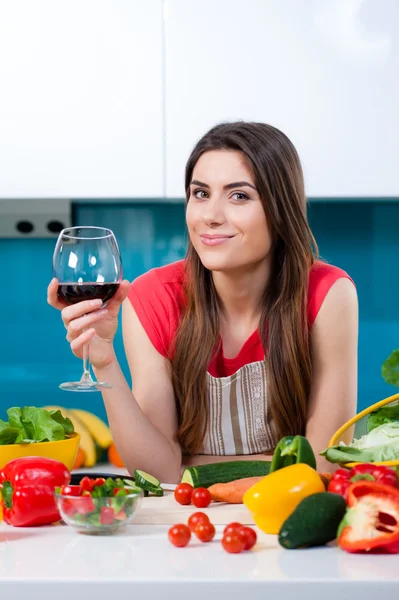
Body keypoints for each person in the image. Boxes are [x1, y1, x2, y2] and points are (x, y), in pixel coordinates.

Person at [47, 122, 358, 481]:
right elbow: (158, 473)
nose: (210, 216)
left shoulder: (328, 294)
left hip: (282, 518)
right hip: (184, 523)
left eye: (239, 196)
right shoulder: (153, 297)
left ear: (280, 207)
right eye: (200, 193)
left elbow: (323, 466)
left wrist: (193, 465)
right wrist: (103, 361)